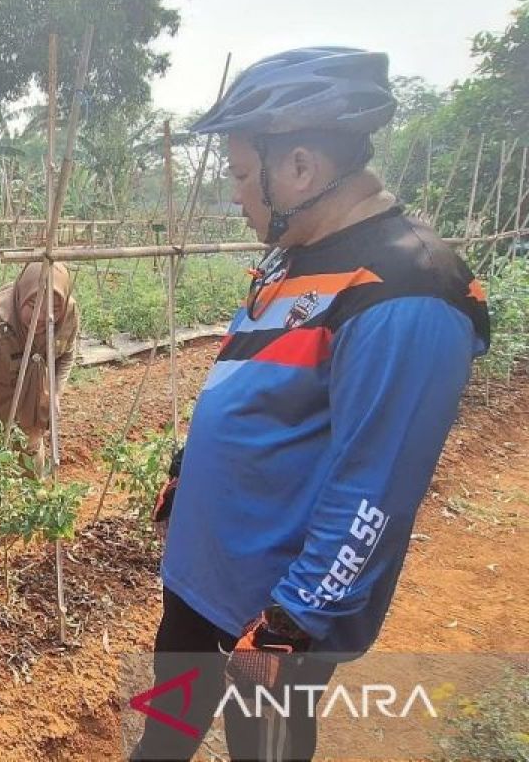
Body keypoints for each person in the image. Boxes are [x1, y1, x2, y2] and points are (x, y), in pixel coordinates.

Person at [130, 48, 490, 760]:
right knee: (163, 740)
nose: (235, 195)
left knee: (259, 750)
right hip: (201, 584)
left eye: (240, 175)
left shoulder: (407, 292)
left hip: (265, 612)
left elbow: (376, 488)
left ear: (298, 168)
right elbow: (253, 370)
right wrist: (190, 464)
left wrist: (291, 624)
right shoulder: (295, 252)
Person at [0, 261, 80, 551]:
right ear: (22, 295)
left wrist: (55, 393)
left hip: (31, 388)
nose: (41, 317)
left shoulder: (68, 313)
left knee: (32, 448)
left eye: (53, 309)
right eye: (32, 305)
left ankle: (25, 508)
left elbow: (66, 356)